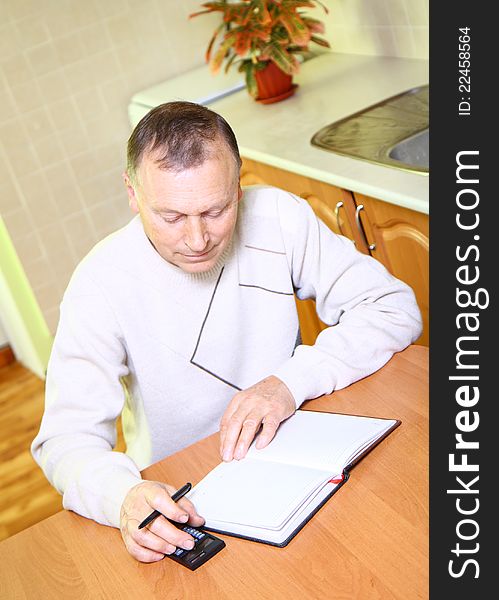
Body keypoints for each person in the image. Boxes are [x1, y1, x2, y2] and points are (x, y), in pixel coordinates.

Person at [32, 101, 422, 563]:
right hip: (188, 500)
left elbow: (392, 307)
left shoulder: (277, 216)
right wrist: (122, 498)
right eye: (171, 217)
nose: (197, 241)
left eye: (216, 210)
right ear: (132, 193)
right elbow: (65, 440)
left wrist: (289, 383)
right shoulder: (99, 283)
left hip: (301, 449)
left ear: (239, 185)